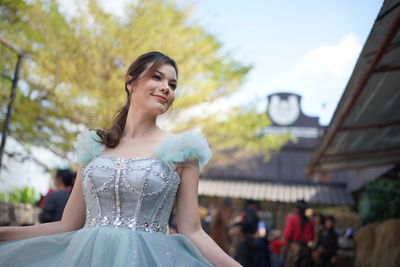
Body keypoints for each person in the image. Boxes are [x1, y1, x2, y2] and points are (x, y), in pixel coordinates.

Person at [0, 51, 241, 267]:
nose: (167, 87)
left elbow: (193, 230)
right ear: (130, 83)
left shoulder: (183, 151)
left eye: (173, 84)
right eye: (157, 77)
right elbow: (67, 225)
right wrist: (5, 233)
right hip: (84, 257)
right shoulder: (95, 146)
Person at [282, 200, 314, 267]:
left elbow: (287, 235)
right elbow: (311, 237)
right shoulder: (310, 222)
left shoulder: (292, 218)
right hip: (305, 249)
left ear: (297, 208)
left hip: (294, 248)